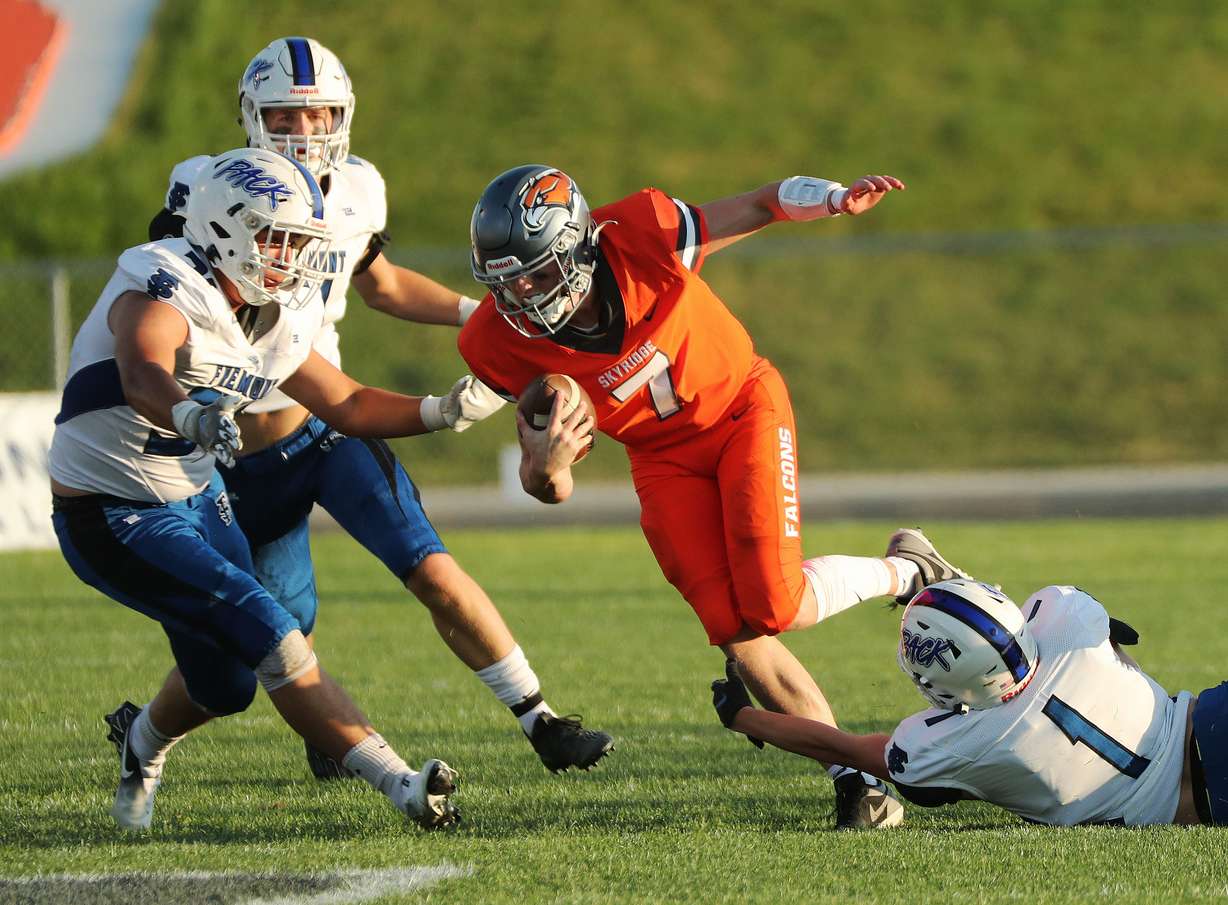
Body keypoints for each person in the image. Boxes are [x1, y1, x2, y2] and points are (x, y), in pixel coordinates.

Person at [145, 36, 612, 779]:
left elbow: (380, 284)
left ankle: (541, 718)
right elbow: (165, 302)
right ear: (250, 117)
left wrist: (476, 316)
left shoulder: (357, 188)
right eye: (285, 117)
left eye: (320, 114)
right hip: (234, 448)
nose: (305, 132)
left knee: (428, 564)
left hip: (325, 425)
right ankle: (153, 733)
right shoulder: (209, 186)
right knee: (268, 634)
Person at [458, 164, 967, 827]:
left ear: (580, 244)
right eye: (505, 280)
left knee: (775, 600)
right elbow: (546, 486)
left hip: (740, 410)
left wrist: (835, 200)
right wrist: (547, 465)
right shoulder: (498, 341)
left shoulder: (642, 232)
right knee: (737, 632)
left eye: (535, 270)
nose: (521, 293)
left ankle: (908, 569)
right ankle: (853, 783)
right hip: (662, 459)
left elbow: (758, 204)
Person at [52, 147, 466, 831]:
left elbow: (350, 403)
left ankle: (141, 743)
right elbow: (142, 369)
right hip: (113, 509)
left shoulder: (268, 309)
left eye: (299, 242)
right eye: (279, 237)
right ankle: (402, 785)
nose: (290, 256)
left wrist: (441, 410)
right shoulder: (163, 278)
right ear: (225, 225)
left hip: (192, 492)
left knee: (226, 684)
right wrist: (189, 412)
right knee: (275, 633)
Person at [711, 572, 1228, 827]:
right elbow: (1098, 630)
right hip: (1208, 719)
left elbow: (846, 748)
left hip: (1192, 806)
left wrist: (744, 716)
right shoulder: (1067, 618)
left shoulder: (964, 743)